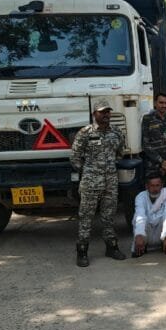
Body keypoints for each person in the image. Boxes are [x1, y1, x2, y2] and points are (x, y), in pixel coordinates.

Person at [71, 100, 127, 266]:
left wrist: (107, 168)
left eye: (108, 112)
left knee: (109, 217)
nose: (106, 115)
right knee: (86, 217)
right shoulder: (85, 133)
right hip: (90, 183)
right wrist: (88, 171)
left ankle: (111, 247)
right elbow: (74, 157)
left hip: (110, 182)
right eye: (102, 112)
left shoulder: (116, 132)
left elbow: (120, 153)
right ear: (94, 114)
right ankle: (82, 251)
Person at [131, 174, 166, 257]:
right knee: (137, 218)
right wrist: (139, 234)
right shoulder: (140, 197)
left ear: (162, 185)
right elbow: (140, 215)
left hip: (161, 231)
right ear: (147, 186)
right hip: (146, 231)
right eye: (152, 186)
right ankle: (141, 247)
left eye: (157, 185)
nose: (155, 189)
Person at [141, 92, 166, 191]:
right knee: (153, 196)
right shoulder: (147, 119)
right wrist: (161, 161)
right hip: (153, 166)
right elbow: (145, 144)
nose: (164, 105)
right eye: (161, 102)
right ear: (155, 103)